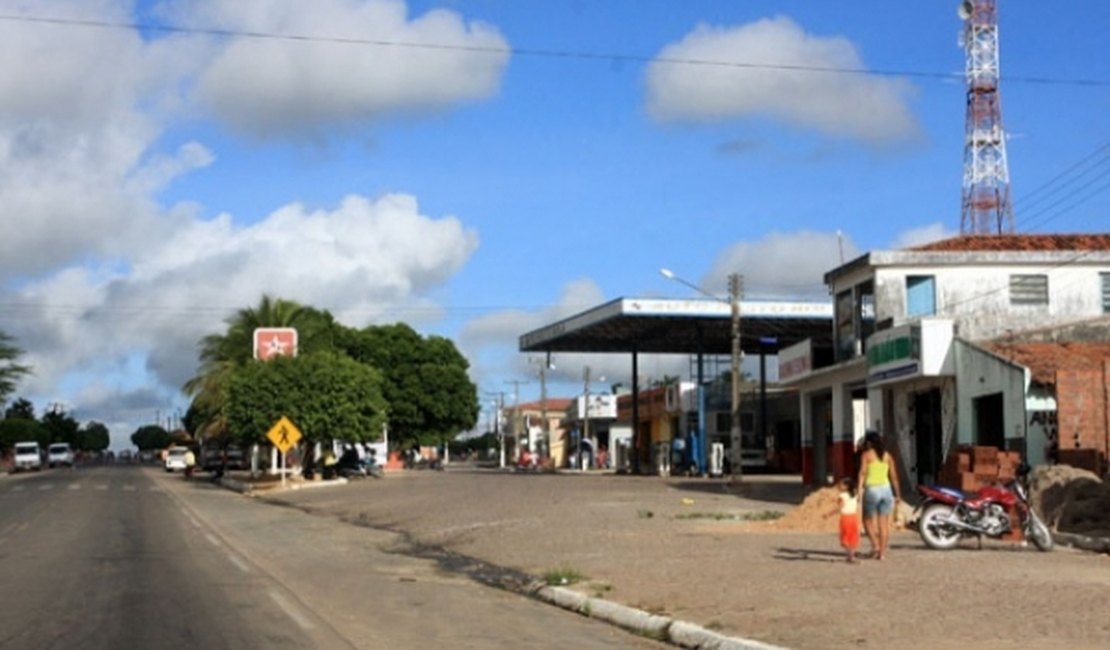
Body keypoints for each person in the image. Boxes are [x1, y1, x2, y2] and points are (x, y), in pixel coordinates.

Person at [856, 431, 901, 560]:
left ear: (869, 442)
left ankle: (875, 546)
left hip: (872, 490)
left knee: (867, 521)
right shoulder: (887, 456)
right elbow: (894, 477)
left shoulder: (866, 455)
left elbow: (862, 473)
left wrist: (859, 491)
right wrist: (898, 494)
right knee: (884, 524)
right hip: (886, 490)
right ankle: (882, 553)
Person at [826, 477, 861, 563]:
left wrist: (828, 514)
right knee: (852, 537)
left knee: (845, 537)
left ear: (846, 486)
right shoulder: (855, 495)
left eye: (841, 484)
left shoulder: (842, 496)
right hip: (854, 517)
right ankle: (851, 556)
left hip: (846, 518)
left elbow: (839, 507)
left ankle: (850, 556)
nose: (838, 486)